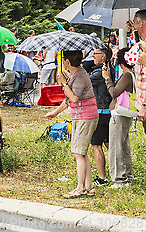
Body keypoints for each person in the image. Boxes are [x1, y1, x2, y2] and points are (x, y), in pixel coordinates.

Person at [45, 51, 98, 198]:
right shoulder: (74, 75)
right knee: (81, 152)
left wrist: (63, 82)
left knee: (78, 153)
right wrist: (55, 113)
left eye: (62, 59)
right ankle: (89, 186)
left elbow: (74, 98)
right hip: (79, 117)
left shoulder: (80, 75)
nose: (61, 62)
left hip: (86, 117)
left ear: (67, 61)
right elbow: (67, 101)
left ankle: (80, 188)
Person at [102, 47, 134, 188]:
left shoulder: (126, 76)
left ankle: (119, 179)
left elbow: (114, 92)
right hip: (125, 114)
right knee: (124, 145)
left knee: (115, 147)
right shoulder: (132, 75)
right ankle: (127, 175)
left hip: (119, 114)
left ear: (121, 63)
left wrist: (107, 79)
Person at [89, 47, 114, 187]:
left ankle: (102, 178)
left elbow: (86, 82)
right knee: (109, 143)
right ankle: (116, 173)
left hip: (100, 112)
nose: (93, 56)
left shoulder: (100, 72)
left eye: (95, 54)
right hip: (108, 111)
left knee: (96, 145)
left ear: (103, 56)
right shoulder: (109, 69)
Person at [133, 9, 146, 153]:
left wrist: (145, 105)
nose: (133, 26)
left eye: (134, 22)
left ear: (141, 24)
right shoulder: (144, 44)